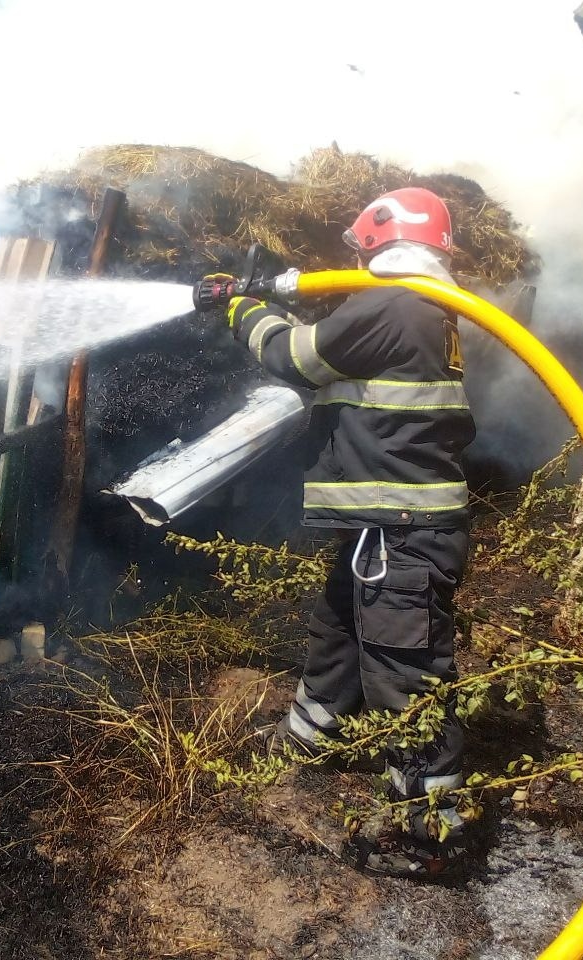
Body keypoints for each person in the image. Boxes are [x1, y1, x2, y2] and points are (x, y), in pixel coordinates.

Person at [216, 187, 476, 877]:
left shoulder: (395, 302)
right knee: (336, 632)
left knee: (403, 670)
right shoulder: (419, 307)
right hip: (382, 525)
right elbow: (346, 361)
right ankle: (307, 740)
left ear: (375, 237)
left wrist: (242, 309)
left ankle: (431, 830)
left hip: (402, 529)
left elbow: (294, 359)